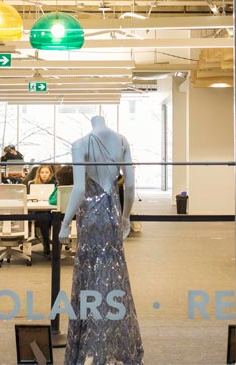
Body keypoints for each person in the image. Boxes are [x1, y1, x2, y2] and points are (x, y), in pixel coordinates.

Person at [59, 116, 143, 365]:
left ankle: (91, 348)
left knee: (90, 277)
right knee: (112, 277)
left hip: (91, 217)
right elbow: (129, 186)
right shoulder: (122, 141)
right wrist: (126, 216)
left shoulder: (80, 144)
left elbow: (79, 189)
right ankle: (109, 345)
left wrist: (65, 223)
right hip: (113, 214)